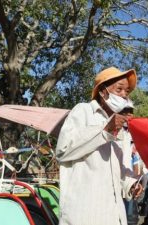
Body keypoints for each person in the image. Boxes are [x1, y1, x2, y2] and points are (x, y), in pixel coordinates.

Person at [56, 67, 143, 225]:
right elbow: (63, 151)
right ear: (103, 92)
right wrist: (105, 130)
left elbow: (121, 171)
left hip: (114, 216)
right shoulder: (83, 111)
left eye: (127, 91)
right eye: (119, 89)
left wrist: (131, 185)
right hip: (84, 215)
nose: (124, 95)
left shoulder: (121, 128)